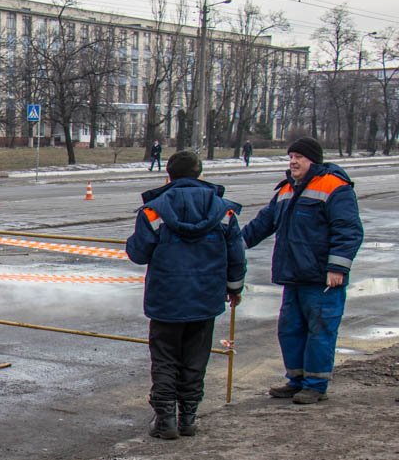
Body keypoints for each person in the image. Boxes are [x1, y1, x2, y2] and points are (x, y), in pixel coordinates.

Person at [126, 151, 246, 439]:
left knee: (165, 358)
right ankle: (189, 417)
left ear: (168, 176)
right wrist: (234, 288)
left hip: (166, 298)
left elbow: (139, 254)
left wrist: (134, 241)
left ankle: (165, 419)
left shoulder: (154, 211)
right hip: (206, 297)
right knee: (195, 358)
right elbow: (236, 255)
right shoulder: (224, 212)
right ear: (199, 174)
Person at [242, 137, 363, 405]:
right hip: (293, 275)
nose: (293, 162)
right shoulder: (287, 189)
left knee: (320, 330)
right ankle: (295, 380)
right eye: (291, 156)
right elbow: (263, 223)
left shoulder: (335, 187)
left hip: (322, 279)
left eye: (299, 157)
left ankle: (315, 384)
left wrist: (337, 267)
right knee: (290, 330)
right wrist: (234, 245)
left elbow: (349, 231)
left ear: (313, 160)